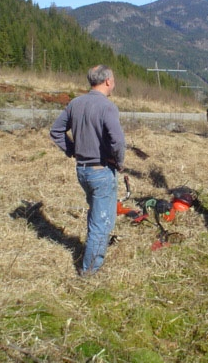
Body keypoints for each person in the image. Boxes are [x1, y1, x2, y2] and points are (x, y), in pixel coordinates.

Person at [50, 65, 126, 275]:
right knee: (101, 222)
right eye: (114, 79)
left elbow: (56, 131)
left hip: (82, 170)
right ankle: (89, 272)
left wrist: (73, 150)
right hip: (101, 171)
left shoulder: (75, 103)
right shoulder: (107, 107)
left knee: (100, 215)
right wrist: (119, 163)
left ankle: (96, 249)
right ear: (108, 81)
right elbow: (118, 141)